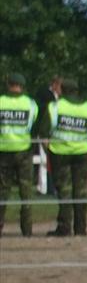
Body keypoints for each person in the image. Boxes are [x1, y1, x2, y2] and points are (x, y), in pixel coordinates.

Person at [45, 78, 87, 237]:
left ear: (61, 90)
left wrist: (48, 150)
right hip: (82, 153)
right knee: (81, 191)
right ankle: (81, 228)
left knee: (64, 191)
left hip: (59, 153)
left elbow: (43, 133)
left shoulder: (55, 107)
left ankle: (64, 227)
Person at [0, 72, 39, 238]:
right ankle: (27, 229)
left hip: (3, 150)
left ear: (9, 84)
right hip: (23, 150)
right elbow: (33, 126)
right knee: (26, 191)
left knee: (2, 191)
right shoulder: (31, 104)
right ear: (22, 86)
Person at [34, 74, 62, 195]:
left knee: (49, 159)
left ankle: (49, 186)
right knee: (44, 159)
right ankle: (43, 187)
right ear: (55, 85)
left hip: (51, 133)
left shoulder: (56, 98)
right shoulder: (46, 96)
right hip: (44, 131)